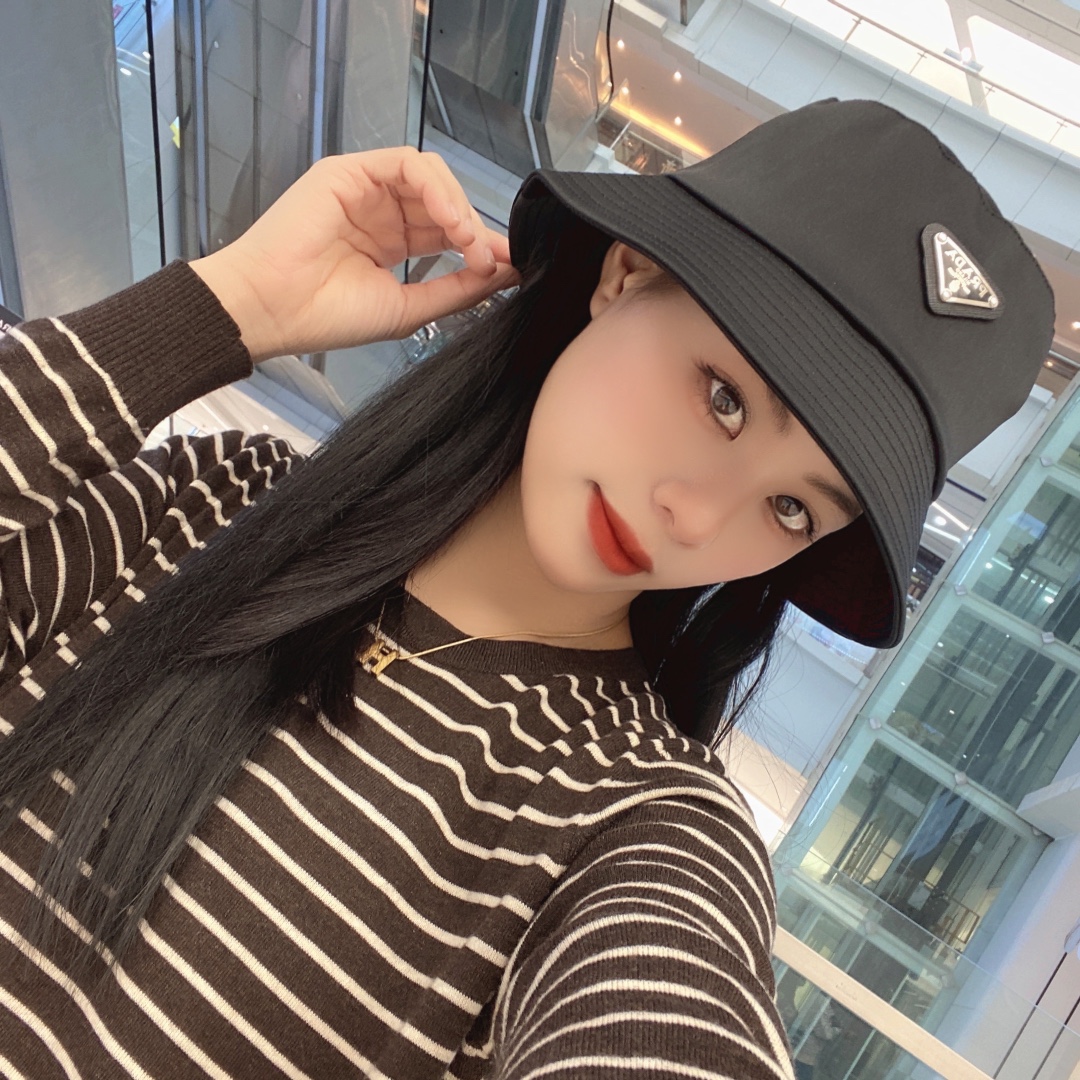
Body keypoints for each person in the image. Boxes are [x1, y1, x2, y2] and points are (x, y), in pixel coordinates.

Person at [0, 99, 1054, 1078]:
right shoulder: (214, 507)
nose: (696, 518)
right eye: (725, 400)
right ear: (625, 278)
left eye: (790, 509)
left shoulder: (635, 826)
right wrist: (226, 306)